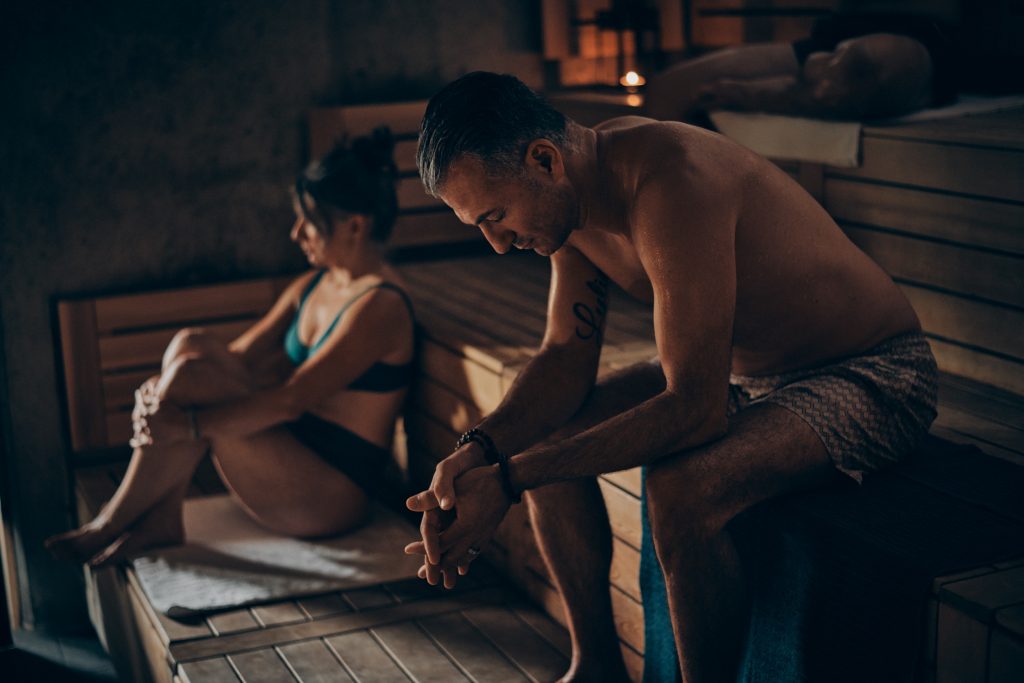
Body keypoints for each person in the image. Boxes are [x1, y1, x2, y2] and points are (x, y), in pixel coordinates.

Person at [403, 72, 937, 682]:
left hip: (870, 370)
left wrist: (511, 479)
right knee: (541, 437)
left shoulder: (673, 179)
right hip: (745, 370)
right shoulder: (567, 206)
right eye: (480, 225)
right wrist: (481, 451)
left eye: (495, 216)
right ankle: (596, 666)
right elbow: (563, 360)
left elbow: (695, 408)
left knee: (681, 491)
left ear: (544, 159)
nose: (497, 244)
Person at [46, 129, 415, 568]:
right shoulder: (316, 283)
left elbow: (291, 400)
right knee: (190, 345)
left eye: (309, 221)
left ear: (355, 225)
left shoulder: (380, 306)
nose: (296, 233)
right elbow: (234, 359)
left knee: (190, 384)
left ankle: (110, 524)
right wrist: (158, 391)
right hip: (290, 457)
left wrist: (185, 425)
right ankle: (160, 518)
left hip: (331, 494)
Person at [644, 12, 956, 122]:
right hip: (834, 34)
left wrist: (752, 96)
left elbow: (848, 86)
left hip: (916, 30)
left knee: (864, 68)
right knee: (666, 90)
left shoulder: (896, 51)